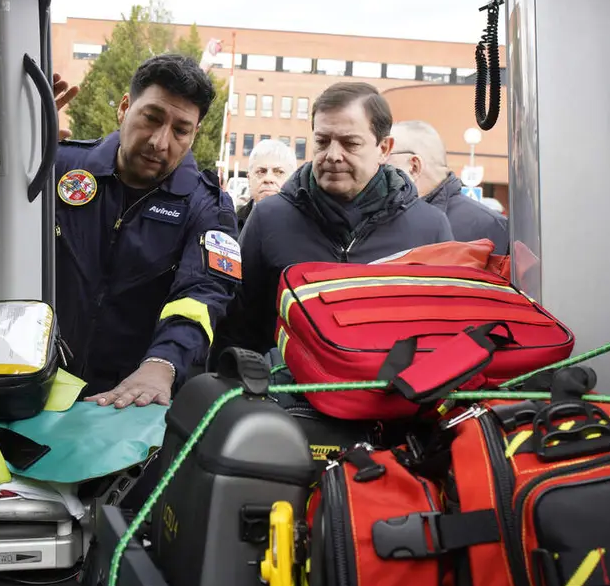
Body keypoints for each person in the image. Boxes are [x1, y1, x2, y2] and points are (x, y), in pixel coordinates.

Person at [211, 82, 453, 361]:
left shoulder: (430, 229)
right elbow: (235, 330)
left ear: (384, 148)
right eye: (322, 141)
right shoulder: (268, 219)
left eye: (350, 143)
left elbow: (443, 339)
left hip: (394, 400)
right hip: (281, 400)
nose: (333, 155)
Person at [54, 54, 240, 408]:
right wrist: (11, 146)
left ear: (194, 134)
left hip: (127, 403)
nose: (159, 141)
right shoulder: (58, 166)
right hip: (31, 390)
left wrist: (162, 364)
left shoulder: (208, 208)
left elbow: (204, 295)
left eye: (180, 130)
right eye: (151, 118)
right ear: (125, 108)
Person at [388, 120, 509, 254]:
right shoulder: (379, 221)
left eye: (386, 158)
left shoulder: (492, 228)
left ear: (414, 166)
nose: (377, 168)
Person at [236, 139, 298, 231]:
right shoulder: (231, 226)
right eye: (261, 171)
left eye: (279, 172)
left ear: (293, 179)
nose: (268, 179)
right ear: (249, 179)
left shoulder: (308, 227)